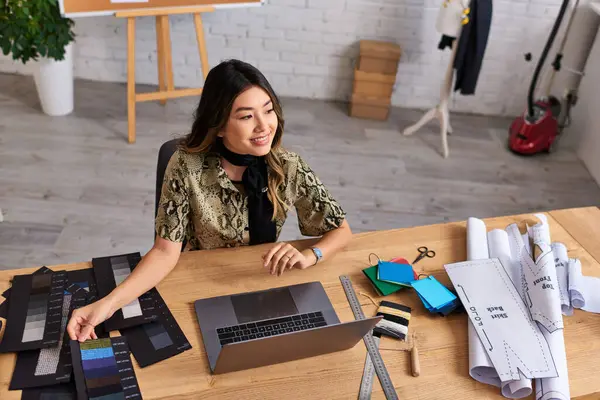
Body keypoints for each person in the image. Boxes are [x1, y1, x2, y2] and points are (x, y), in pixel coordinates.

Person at [67, 59, 352, 342]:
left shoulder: (288, 166)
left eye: (268, 110)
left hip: (262, 281)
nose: (264, 126)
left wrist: (310, 256)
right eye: (246, 116)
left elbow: (341, 230)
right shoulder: (185, 166)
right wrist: (106, 306)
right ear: (219, 126)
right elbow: (165, 252)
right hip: (201, 284)